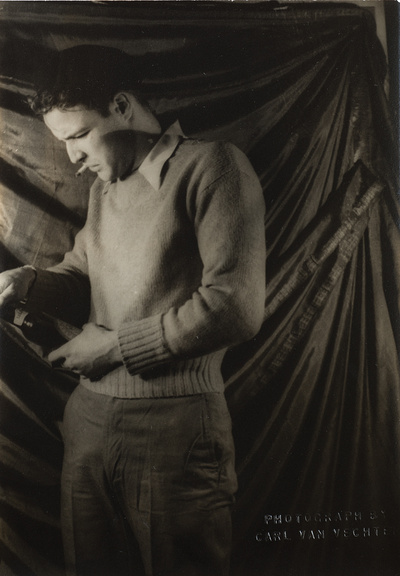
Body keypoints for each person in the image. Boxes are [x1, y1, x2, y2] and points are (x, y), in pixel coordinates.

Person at [0, 45, 266, 576]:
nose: (72, 158)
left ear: (122, 106)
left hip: (177, 431)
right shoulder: (107, 190)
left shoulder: (213, 166)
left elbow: (235, 305)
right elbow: (82, 278)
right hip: (87, 424)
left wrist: (116, 347)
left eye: (78, 136)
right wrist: (28, 282)